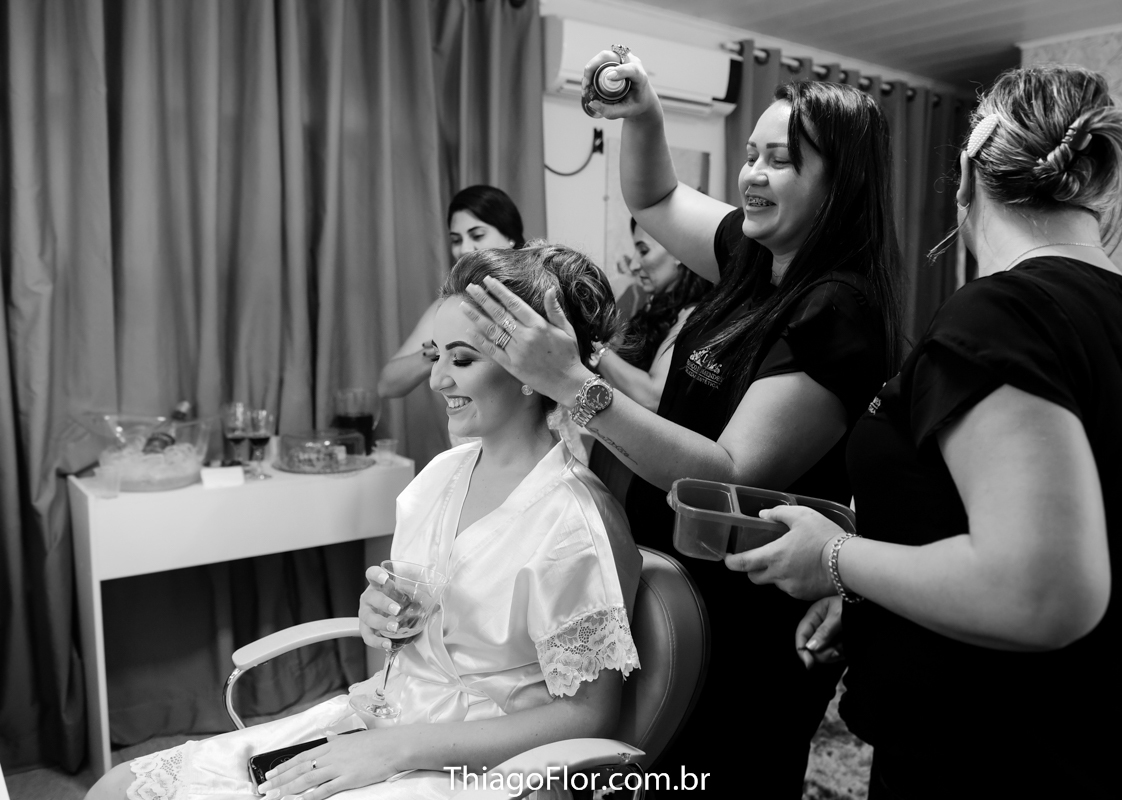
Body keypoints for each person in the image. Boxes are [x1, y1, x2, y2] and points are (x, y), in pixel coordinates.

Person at [727, 64, 1122, 799]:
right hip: (1093, 739)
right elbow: (997, 520)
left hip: (992, 758)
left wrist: (835, 557)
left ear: (969, 173)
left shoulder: (1000, 315)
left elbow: (1038, 590)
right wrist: (879, 601)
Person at [457, 46, 905, 790]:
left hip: (750, 614)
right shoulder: (751, 256)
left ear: (840, 184)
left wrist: (574, 383)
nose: (753, 174)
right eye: (751, 155)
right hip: (678, 583)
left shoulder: (838, 311)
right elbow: (656, 195)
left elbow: (727, 476)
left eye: (781, 161)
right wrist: (645, 113)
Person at [87, 244, 640, 800]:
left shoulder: (570, 521)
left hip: (477, 763)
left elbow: (587, 715)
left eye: (462, 360)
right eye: (435, 356)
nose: (436, 380)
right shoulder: (442, 476)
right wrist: (380, 615)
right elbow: (419, 617)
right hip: (384, 716)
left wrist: (397, 750)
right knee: (118, 789)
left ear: (529, 371)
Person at [377, 185, 524, 403]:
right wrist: (441, 350)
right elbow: (387, 385)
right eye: (456, 240)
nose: (464, 249)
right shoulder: (453, 304)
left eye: (477, 235)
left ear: (510, 235)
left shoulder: (538, 293)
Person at [593, 219, 711, 412]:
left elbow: (653, 396)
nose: (634, 265)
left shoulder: (694, 314)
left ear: (679, 252)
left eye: (644, 251)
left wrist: (593, 346)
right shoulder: (650, 302)